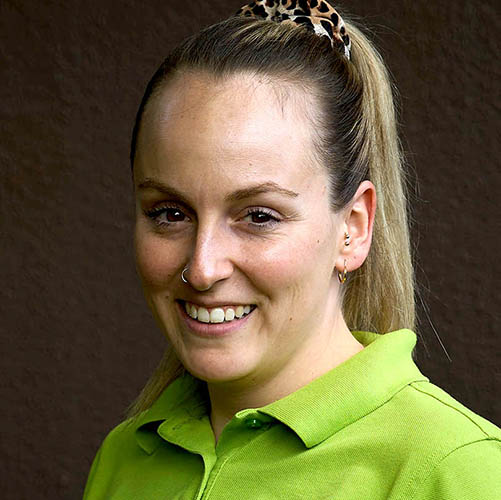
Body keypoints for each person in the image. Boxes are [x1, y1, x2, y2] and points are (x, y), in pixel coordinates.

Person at [83, 1, 501, 498]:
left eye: (259, 216)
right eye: (170, 213)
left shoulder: (458, 470)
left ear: (353, 229)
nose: (203, 268)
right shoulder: (125, 458)